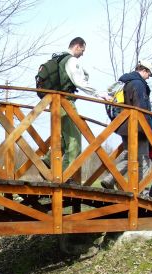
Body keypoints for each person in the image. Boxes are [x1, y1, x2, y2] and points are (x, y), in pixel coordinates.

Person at [57, 37, 110, 178]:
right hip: (66, 102)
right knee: (75, 140)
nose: (83, 54)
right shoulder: (71, 60)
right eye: (83, 50)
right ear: (77, 46)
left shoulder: (59, 59)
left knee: (64, 138)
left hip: (55, 102)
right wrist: (100, 94)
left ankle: (49, 163)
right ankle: (64, 177)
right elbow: (79, 82)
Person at [101, 60, 152, 191]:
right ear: (144, 70)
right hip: (138, 127)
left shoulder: (126, 82)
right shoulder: (139, 84)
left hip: (124, 126)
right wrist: (148, 130)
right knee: (143, 159)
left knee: (129, 155)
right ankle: (142, 190)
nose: (149, 78)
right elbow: (141, 107)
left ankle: (110, 179)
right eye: (149, 74)